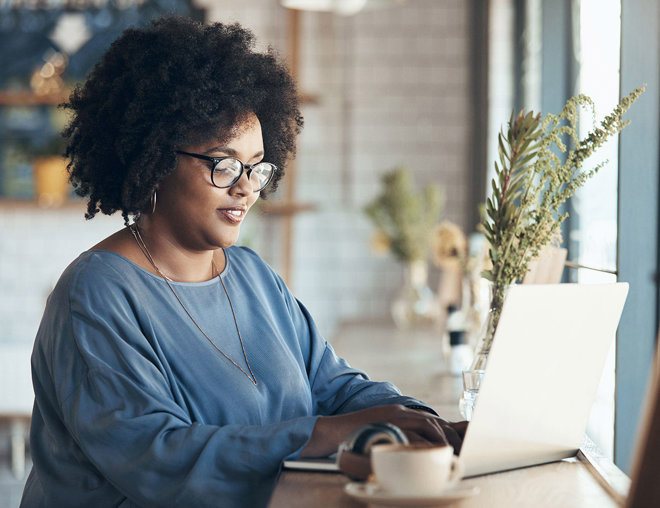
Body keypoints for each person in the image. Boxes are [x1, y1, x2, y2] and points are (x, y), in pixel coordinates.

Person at [21, 16, 465, 508]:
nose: (246, 185)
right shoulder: (96, 293)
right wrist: (328, 433)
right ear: (153, 159)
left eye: (256, 165)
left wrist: (427, 422)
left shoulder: (253, 276)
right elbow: (157, 458)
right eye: (223, 163)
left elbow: (335, 387)